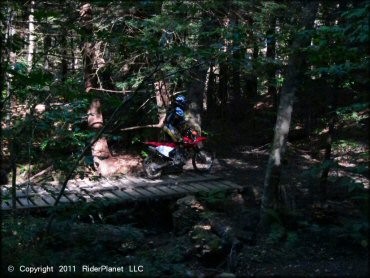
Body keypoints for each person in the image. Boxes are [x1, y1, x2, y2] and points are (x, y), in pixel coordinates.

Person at [163, 95, 189, 165]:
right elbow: (181, 121)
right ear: (181, 102)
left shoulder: (174, 108)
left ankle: (172, 160)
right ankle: (177, 159)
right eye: (184, 102)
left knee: (173, 143)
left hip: (168, 127)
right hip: (170, 128)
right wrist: (186, 123)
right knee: (180, 141)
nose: (185, 104)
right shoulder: (178, 110)